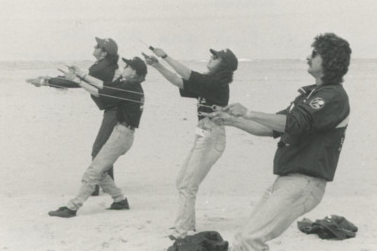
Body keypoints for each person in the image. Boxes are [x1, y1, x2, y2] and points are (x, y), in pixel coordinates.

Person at [203, 33, 351, 250]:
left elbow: (294, 123)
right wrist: (231, 121)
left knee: (250, 239)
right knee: (243, 238)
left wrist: (249, 112)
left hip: (304, 183)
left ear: (329, 60)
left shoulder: (333, 97)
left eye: (315, 53)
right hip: (287, 181)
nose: (308, 57)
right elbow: (272, 127)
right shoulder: (309, 96)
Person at [143, 47, 238, 239]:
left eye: (215, 57)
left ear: (223, 66)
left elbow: (186, 74)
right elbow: (178, 81)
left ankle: (183, 230)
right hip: (203, 132)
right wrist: (157, 66)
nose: (210, 58)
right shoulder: (209, 83)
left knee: (187, 184)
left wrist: (165, 56)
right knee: (183, 182)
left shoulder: (216, 84)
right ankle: (188, 224)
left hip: (212, 134)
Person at [48, 56, 147, 218]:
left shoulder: (129, 87)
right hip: (124, 133)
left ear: (135, 72)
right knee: (99, 170)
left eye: (128, 66)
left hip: (122, 134)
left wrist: (77, 80)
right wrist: (80, 74)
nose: (124, 67)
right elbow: (103, 85)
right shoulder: (131, 86)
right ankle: (119, 200)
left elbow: (99, 92)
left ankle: (72, 207)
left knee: (93, 171)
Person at [26, 37, 120, 196]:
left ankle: (95, 186)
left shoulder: (101, 67)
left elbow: (74, 83)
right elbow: (79, 79)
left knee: (99, 149)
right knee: (104, 148)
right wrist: (52, 79)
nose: (94, 46)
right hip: (116, 109)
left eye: (97, 46)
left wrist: (45, 81)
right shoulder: (105, 65)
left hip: (116, 110)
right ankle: (106, 185)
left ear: (104, 53)